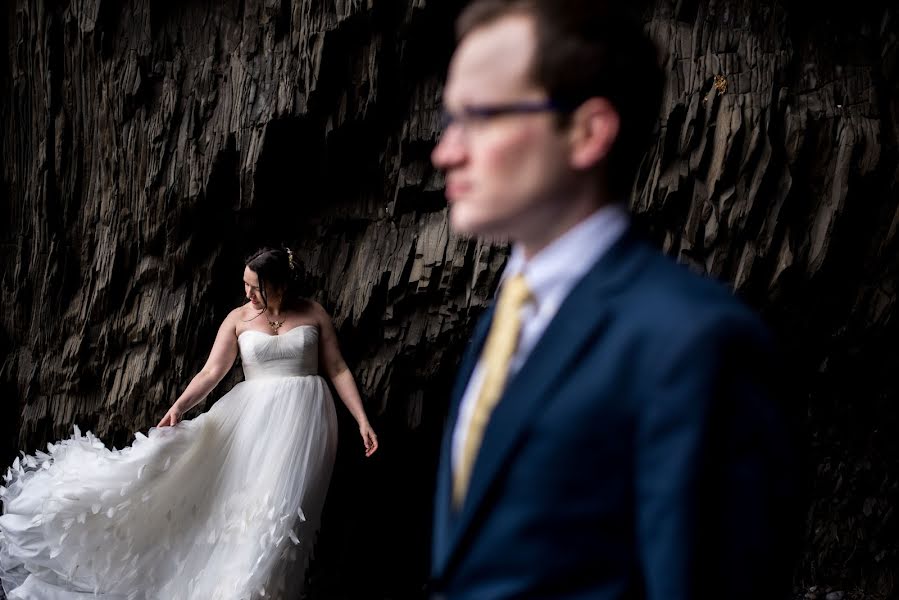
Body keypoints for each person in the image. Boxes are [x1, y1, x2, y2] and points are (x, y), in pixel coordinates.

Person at [429, 1, 797, 598]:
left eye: (480, 116)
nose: (446, 151)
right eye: (451, 119)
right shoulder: (508, 316)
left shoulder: (693, 341)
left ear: (587, 132)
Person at [0, 247, 378, 599]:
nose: (247, 293)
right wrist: (179, 407)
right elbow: (212, 372)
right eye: (244, 285)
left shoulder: (313, 313)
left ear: (277, 284)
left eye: (254, 287)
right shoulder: (238, 319)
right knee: (237, 508)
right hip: (249, 424)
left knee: (283, 517)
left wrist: (361, 421)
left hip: (304, 425)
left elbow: (338, 368)